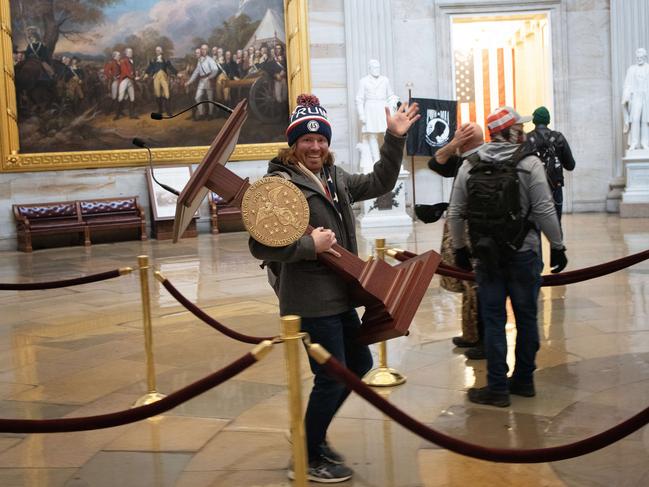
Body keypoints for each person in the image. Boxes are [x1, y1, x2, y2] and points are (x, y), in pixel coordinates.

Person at [249, 93, 420, 483]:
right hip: (310, 299)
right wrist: (311, 245)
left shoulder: (334, 176)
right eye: (307, 140)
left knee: (358, 365)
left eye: (321, 139)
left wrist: (394, 138)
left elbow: (381, 181)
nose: (315, 146)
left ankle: (312, 434)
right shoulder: (279, 185)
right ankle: (307, 455)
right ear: (294, 144)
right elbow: (260, 245)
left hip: (341, 293)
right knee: (332, 375)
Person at [447, 106, 568, 407]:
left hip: (486, 255)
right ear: (511, 131)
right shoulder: (529, 163)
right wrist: (558, 245)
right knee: (527, 318)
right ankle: (524, 381)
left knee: (493, 319)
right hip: (524, 253)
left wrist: (461, 249)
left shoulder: (470, 163)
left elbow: (456, 212)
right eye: (520, 127)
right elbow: (544, 209)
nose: (524, 132)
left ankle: (497, 388)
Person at [429, 123, 486, 360]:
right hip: (462, 230)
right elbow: (436, 162)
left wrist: (455, 144)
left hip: (473, 233)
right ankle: (471, 334)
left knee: (475, 287)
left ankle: (483, 340)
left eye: (458, 137)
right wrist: (454, 145)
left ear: (465, 141)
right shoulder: (463, 159)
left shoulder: (478, 160)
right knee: (467, 285)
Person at [525, 106, 576, 221]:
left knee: (533, 228)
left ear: (534, 120)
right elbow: (570, 165)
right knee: (556, 227)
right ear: (548, 120)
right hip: (555, 187)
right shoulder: (558, 138)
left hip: (534, 188)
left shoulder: (527, 139)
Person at [355, 59, 395, 168]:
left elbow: (390, 95)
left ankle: (388, 158)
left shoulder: (385, 80)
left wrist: (392, 108)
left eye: (378, 67)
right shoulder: (363, 81)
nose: (377, 70)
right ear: (370, 68)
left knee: (387, 133)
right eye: (374, 67)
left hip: (383, 107)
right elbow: (359, 99)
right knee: (372, 135)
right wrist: (361, 114)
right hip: (370, 109)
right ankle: (376, 160)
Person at [622, 48, 649, 151]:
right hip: (636, 97)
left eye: (641, 57)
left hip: (646, 97)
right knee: (635, 120)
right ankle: (634, 143)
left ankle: (644, 143)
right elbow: (627, 85)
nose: (639, 59)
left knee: (645, 121)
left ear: (645, 57)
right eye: (638, 57)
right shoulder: (632, 69)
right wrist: (626, 96)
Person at [185, 44, 219, 120]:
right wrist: (189, 82)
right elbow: (196, 72)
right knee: (197, 97)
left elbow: (215, 70)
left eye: (205, 49)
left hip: (209, 80)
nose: (203, 50)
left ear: (207, 50)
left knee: (210, 98)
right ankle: (201, 114)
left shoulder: (210, 60)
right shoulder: (199, 61)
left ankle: (210, 114)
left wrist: (209, 77)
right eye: (202, 49)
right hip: (201, 81)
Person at [144, 46, 177, 116]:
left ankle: (168, 111)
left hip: (164, 77)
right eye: (156, 50)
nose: (157, 51)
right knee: (157, 94)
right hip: (156, 77)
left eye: (159, 50)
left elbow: (170, 67)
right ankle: (160, 110)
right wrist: (146, 74)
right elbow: (150, 68)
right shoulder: (153, 60)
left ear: (161, 51)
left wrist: (176, 72)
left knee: (167, 93)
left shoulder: (165, 60)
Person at [116, 47, 139, 120]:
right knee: (121, 97)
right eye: (129, 52)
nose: (131, 53)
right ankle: (117, 115)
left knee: (132, 97)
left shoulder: (132, 61)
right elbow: (125, 71)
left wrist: (135, 75)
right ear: (126, 53)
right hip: (124, 80)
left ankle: (131, 115)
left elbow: (133, 71)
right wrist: (133, 77)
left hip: (130, 80)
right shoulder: (123, 60)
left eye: (131, 52)